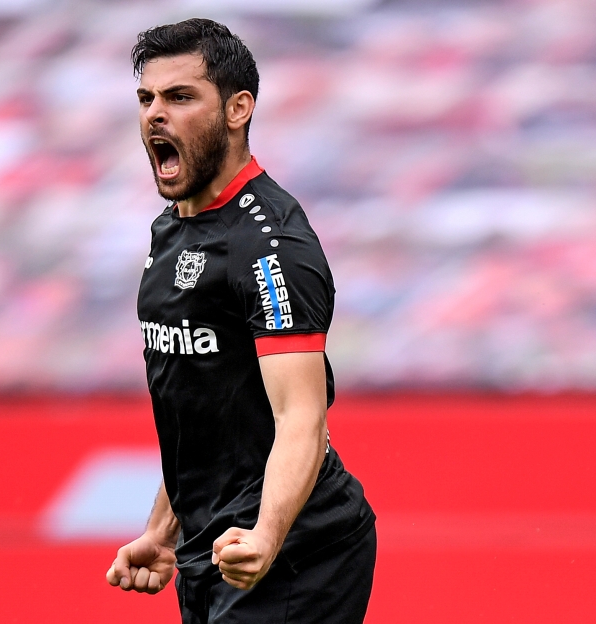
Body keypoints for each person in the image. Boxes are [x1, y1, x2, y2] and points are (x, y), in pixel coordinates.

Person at [106, 18, 376, 623]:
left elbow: (301, 416)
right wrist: (163, 528)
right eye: (146, 98)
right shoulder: (172, 228)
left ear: (238, 109)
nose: (155, 114)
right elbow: (206, 412)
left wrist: (268, 534)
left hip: (298, 551)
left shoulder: (271, 245)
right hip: (214, 548)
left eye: (180, 97)